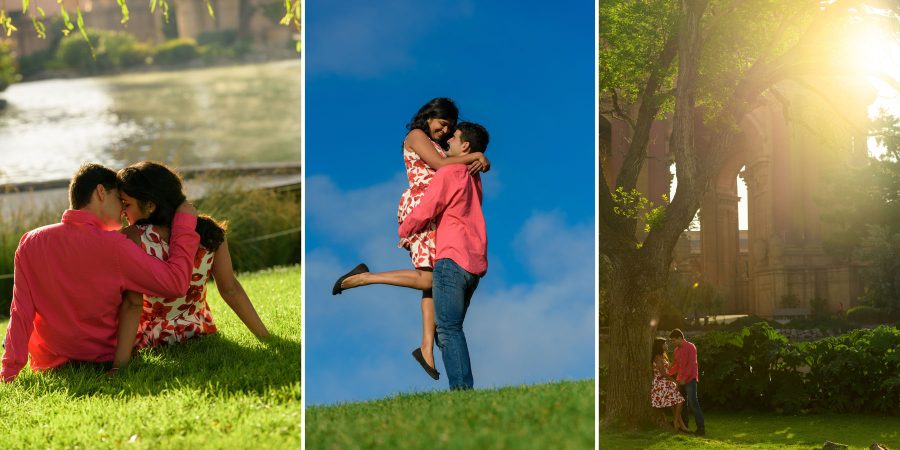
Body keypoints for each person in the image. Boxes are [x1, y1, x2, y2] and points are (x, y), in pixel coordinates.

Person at [332, 98, 488, 380]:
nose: (444, 132)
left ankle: (427, 346)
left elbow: (449, 163)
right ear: (430, 116)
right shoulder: (416, 136)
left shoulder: (444, 149)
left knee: (433, 276)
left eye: (450, 129)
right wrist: (476, 156)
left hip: (439, 210)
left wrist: (476, 157)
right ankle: (366, 278)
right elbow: (441, 164)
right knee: (431, 278)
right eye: (443, 125)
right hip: (423, 206)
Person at [1, 163, 200, 382]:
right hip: (101, 359)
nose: (124, 211)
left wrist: (8, 372)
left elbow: (21, 312)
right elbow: (176, 283)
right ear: (101, 192)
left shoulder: (31, 242)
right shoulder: (116, 246)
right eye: (120, 201)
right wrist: (183, 222)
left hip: (50, 366)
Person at [112, 161, 270, 369]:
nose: (123, 212)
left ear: (150, 205)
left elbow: (133, 304)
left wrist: (118, 366)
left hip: (150, 341)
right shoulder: (208, 232)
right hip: (198, 332)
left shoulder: (133, 237)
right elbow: (230, 288)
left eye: (126, 204)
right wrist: (265, 337)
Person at [397, 121, 489, 390]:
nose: (448, 140)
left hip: (451, 258)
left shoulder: (451, 173)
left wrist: (405, 229)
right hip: (475, 264)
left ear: (465, 146)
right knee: (446, 329)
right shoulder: (475, 176)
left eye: (454, 137)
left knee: (448, 330)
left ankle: (462, 392)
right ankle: (443, 367)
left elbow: (428, 207)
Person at [668, 328, 705, 436]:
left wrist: (685, 378)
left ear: (680, 338)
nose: (673, 343)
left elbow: (692, 365)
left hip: (690, 380)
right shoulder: (676, 351)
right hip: (680, 381)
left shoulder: (691, 347)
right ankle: (685, 426)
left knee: (694, 403)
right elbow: (677, 366)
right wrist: (667, 372)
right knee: (682, 404)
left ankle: (701, 428)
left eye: (674, 340)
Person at [651, 337, 690, 432]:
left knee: (675, 404)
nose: (667, 345)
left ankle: (681, 425)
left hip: (665, 382)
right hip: (661, 383)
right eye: (665, 344)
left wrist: (677, 360)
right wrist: (674, 381)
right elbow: (663, 373)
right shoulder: (657, 357)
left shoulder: (663, 356)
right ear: (660, 346)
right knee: (680, 401)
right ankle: (676, 422)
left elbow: (669, 367)